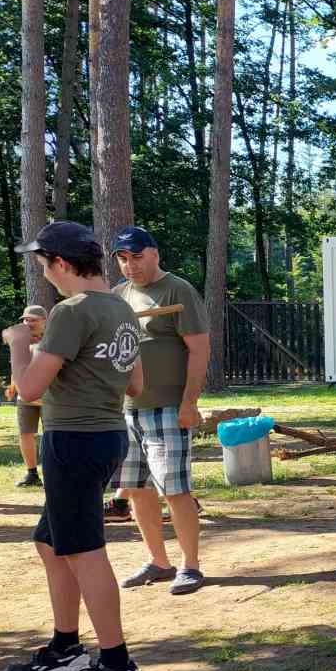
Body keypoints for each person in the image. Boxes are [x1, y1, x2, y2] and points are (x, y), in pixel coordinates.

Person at [2, 221, 147, 671]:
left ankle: (117, 664)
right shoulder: (121, 309)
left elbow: (28, 389)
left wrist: (18, 344)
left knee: (84, 551)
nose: (45, 274)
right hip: (106, 436)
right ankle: (66, 647)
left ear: (62, 263)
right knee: (50, 543)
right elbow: (136, 384)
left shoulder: (71, 311)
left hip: (74, 441)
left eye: (45, 264)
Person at [107, 226, 211, 597]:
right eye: (123, 258)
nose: (130, 265)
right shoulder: (119, 295)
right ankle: (158, 562)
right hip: (127, 409)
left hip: (168, 407)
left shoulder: (177, 290)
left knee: (175, 490)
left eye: (136, 257)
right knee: (137, 488)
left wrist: (189, 402)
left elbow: (199, 349)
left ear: (154, 253)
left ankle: (190, 566)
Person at [11, 304, 49, 487]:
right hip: (25, 397)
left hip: (49, 398)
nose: (28, 323)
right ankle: (32, 474)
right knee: (25, 433)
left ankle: (53, 472)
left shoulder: (53, 340)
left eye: (32, 320)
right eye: (25, 320)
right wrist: (13, 385)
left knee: (52, 435)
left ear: (44, 321)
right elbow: (16, 365)